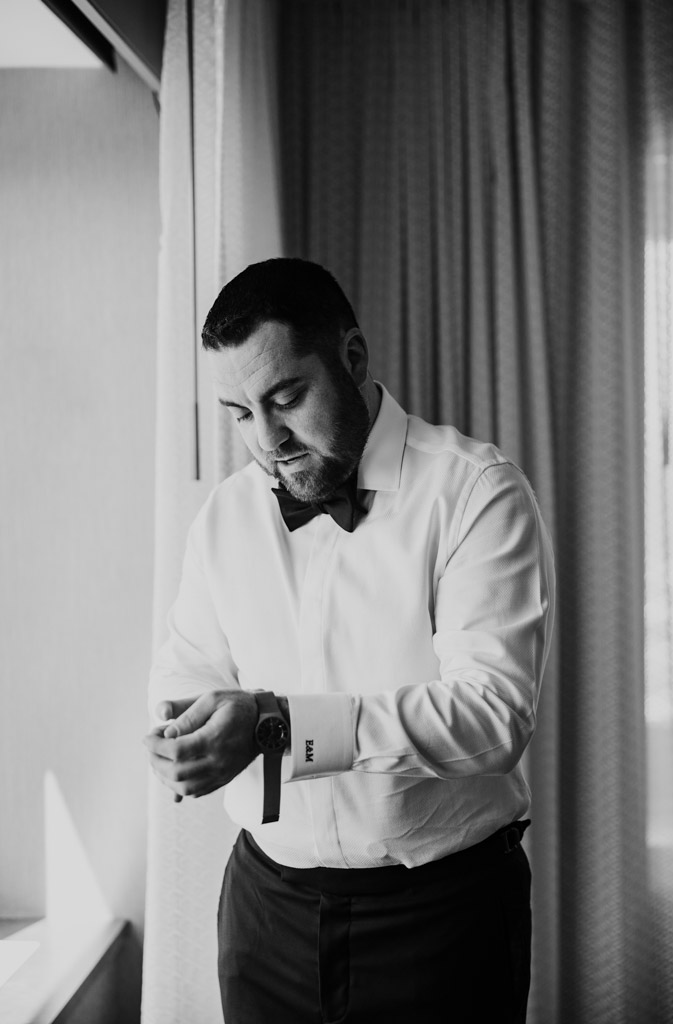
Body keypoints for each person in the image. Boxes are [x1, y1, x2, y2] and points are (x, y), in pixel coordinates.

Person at [144, 257, 555, 1024]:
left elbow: (492, 716)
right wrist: (181, 734)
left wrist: (278, 724)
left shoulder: (475, 491)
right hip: (266, 907)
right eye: (239, 414)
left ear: (353, 358)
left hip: (440, 918)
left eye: (286, 398)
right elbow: (185, 670)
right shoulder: (226, 517)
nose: (266, 440)